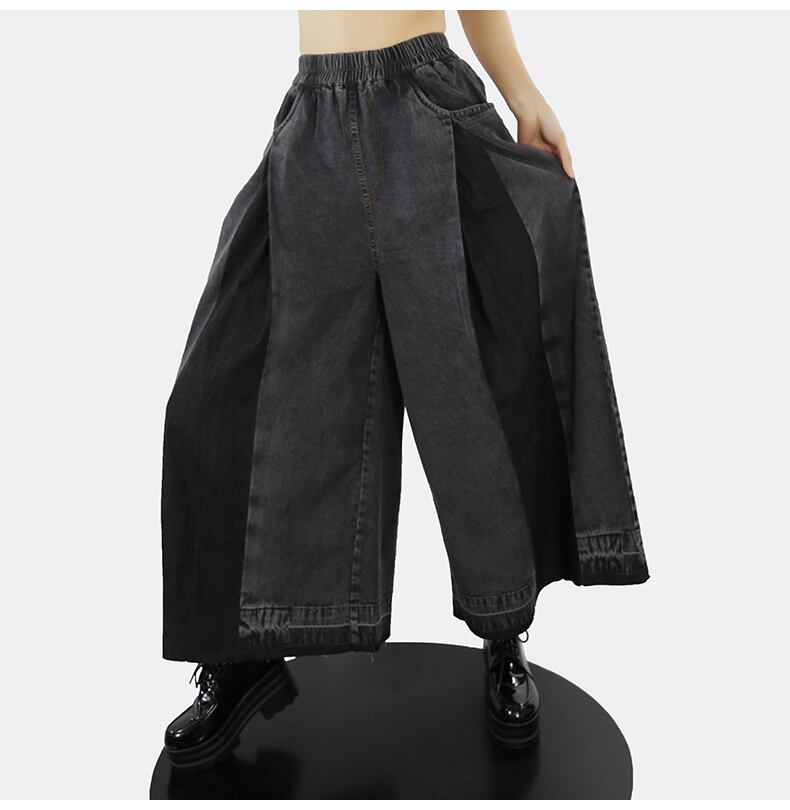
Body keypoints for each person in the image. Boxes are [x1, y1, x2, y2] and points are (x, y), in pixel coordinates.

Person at [160, 10, 650, 772]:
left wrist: (523, 92)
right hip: (313, 120)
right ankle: (245, 653)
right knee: (220, 398)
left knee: (473, 392)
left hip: (424, 101)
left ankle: (504, 631)